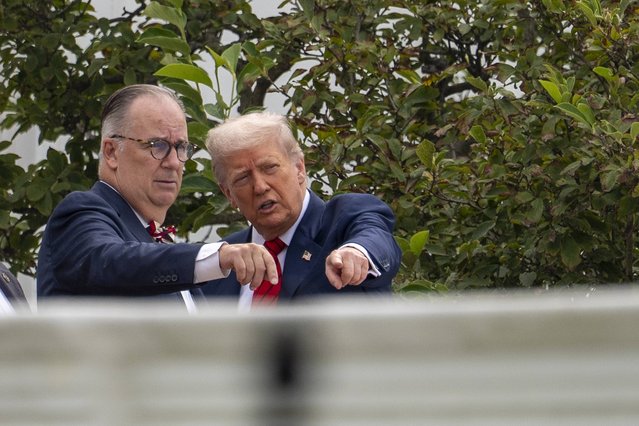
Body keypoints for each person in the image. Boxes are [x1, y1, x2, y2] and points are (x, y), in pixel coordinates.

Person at [37, 84, 277, 309]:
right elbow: (113, 261)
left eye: (181, 147)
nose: (174, 162)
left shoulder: (158, 241)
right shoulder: (81, 213)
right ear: (111, 152)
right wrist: (218, 255)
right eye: (157, 145)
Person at [201, 111, 402, 308]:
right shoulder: (221, 264)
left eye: (269, 167)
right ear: (229, 194)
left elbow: (374, 235)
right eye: (243, 178)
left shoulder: (344, 220)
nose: (260, 186)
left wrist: (357, 253)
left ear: (299, 168)